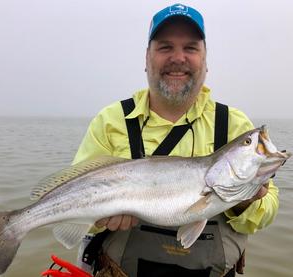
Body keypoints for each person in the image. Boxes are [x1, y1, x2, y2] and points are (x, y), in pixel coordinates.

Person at [73, 3, 279, 277]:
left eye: (191, 48)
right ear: (147, 58)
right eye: (165, 47)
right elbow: (77, 207)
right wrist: (99, 220)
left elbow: (267, 212)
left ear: (206, 60)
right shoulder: (111, 121)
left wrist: (244, 201)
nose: (178, 58)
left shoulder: (233, 123)